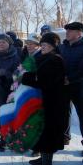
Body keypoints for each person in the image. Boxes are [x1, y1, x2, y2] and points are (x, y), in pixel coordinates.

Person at [23, 32, 67, 165]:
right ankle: (43, 158)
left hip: (51, 103)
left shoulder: (55, 60)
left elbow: (46, 83)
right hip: (42, 100)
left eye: (46, 45)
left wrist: (26, 78)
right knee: (41, 130)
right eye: (42, 44)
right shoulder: (43, 58)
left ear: (53, 46)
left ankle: (47, 161)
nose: (43, 47)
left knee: (48, 132)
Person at [59, 22, 83, 154]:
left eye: (70, 30)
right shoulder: (63, 47)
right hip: (64, 86)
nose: (67, 32)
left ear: (79, 33)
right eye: (66, 30)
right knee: (63, 112)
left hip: (79, 86)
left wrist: (69, 79)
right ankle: (64, 137)